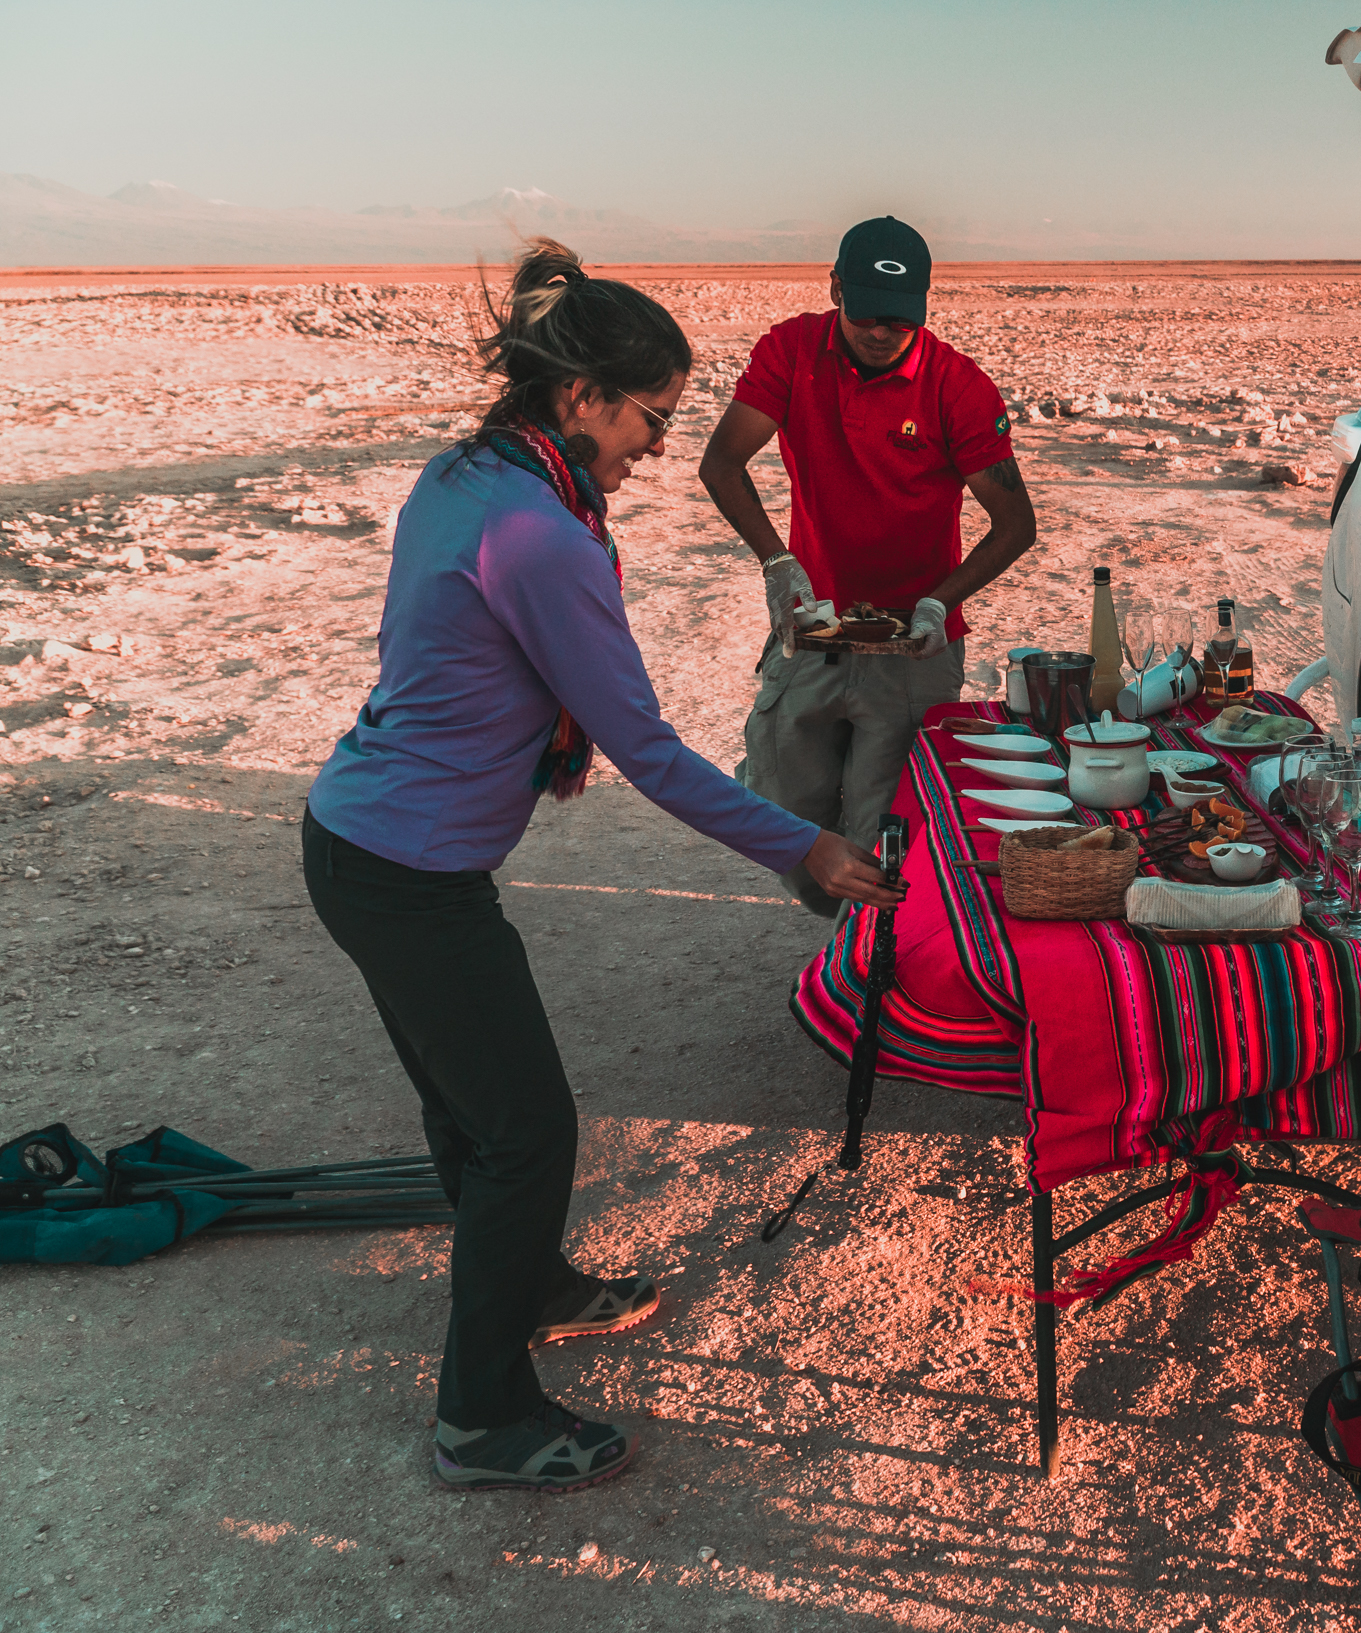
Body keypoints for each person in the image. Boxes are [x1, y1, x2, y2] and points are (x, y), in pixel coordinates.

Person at [302, 239, 902, 1493]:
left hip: (363, 838)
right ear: (579, 397)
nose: (654, 448)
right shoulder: (545, 539)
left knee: (477, 1111)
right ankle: (481, 1414)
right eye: (651, 417)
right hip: (406, 871)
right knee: (526, 1131)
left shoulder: (467, 475)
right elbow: (653, 753)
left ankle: (535, 1285)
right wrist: (809, 847)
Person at [699, 216, 1036, 914]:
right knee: (788, 807)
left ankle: (866, 962)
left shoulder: (957, 385)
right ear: (833, 289)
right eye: (863, 314)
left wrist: (939, 603)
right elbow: (723, 461)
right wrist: (777, 564)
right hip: (814, 625)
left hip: (914, 642)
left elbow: (1014, 524)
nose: (880, 332)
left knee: (891, 829)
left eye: (898, 318)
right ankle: (835, 912)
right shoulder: (791, 351)